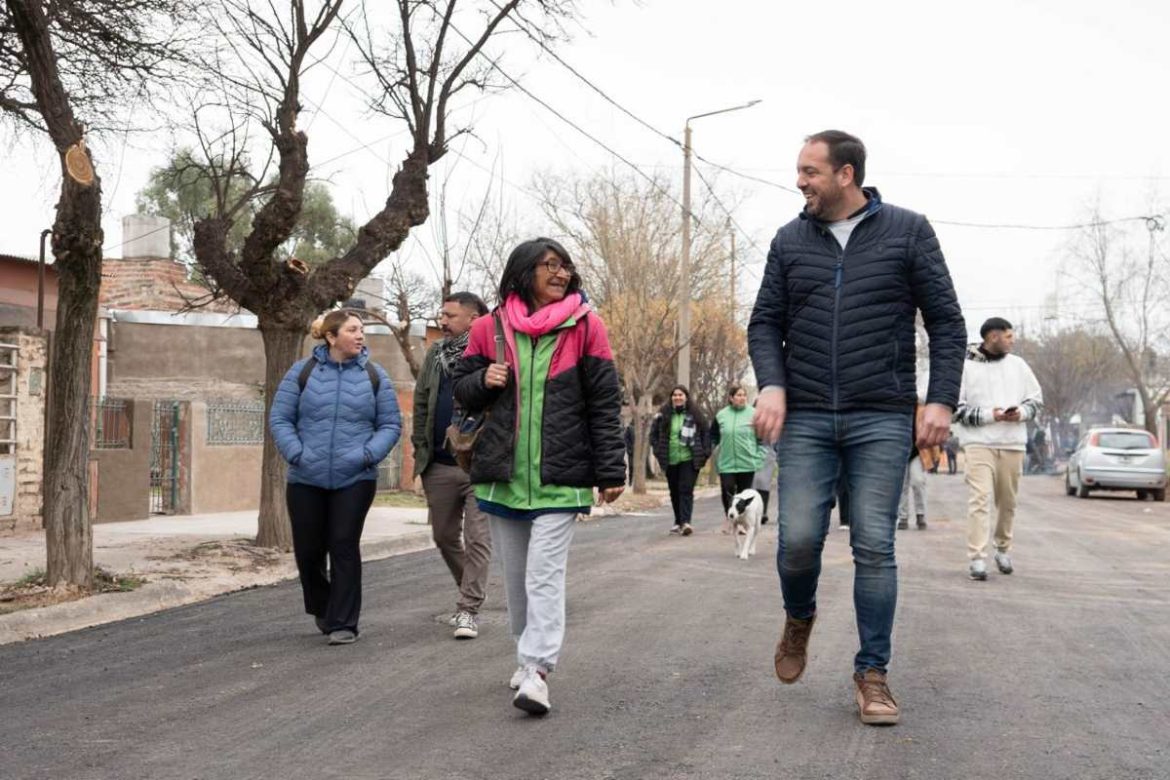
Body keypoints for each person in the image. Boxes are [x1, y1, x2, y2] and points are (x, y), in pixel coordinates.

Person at [748, 130, 966, 725]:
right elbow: (765, 321)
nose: (800, 181)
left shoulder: (908, 230)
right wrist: (772, 382)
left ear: (846, 175)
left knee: (874, 544)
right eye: (799, 171)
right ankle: (799, 617)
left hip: (881, 414)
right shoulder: (790, 240)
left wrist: (940, 401)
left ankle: (872, 673)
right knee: (796, 542)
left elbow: (947, 322)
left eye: (809, 171)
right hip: (809, 415)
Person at [453, 237, 625, 716]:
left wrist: (612, 468)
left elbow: (604, 403)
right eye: (549, 265)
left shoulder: (586, 325)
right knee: (517, 578)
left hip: (561, 476)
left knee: (544, 575)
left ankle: (538, 669)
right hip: (504, 474)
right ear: (524, 271)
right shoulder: (490, 326)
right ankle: (525, 656)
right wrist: (482, 379)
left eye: (565, 266)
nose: (560, 273)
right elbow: (462, 391)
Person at [270, 309, 402, 646]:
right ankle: (322, 605)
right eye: (353, 330)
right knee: (309, 551)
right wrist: (297, 454)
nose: (360, 336)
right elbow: (280, 418)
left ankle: (344, 622)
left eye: (362, 330)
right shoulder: (302, 372)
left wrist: (367, 455)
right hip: (306, 476)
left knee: (343, 544)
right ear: (331, 336)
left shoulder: (375, 375)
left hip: (354, 477)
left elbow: (390, 424)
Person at [412, 291, 492, 640]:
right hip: (440, 464)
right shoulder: (435, 354)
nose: (442, 321)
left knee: (477, 538)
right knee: (444, 536)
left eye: (450, 316)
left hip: (480, 464)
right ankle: (469, 587)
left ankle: (468, 609)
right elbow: (421, 402)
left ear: (474, 319)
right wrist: (421, 453)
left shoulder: (492, 354)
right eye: (441, 315)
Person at [954, 317, 1043, 581]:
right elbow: (956, 410)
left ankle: (1003, 548)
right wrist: (991, 415)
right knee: (979, 499)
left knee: (1007, 502)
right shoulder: (965, 367)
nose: (1012, 341)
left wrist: (1022, 413)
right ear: (992, 337)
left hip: (1013, 442)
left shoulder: (1018, 366)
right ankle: (977, 558)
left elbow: (1036, 401)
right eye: (1008, 336)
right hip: (978, 442)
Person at [649, 385, 711, 535]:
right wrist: (658, 451)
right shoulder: (663, 415)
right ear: (671, 398)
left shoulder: (695, 415)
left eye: (680, 395)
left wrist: (705, 452)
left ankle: (686, 522)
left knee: (686, 489)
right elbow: (653, 435)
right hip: (670, 459)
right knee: (674, 491)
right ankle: (678, 521)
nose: (677, 397)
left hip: (689, 459)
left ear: (686, 397)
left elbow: (705, 434)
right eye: (675, 395)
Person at [711, 385, 765, 518]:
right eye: (739, 395)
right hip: (726, 462)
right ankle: (728, 516)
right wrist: (715, 450)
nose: (742, 398)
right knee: (727, 489)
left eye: (744, 395)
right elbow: (713, 436)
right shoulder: (721, 415)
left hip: (747, 461)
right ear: (731, 398)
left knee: (744, 494)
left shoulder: (754, 414)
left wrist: (759, 456)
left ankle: (741, 520)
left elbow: (762, 438)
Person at [753, 441, 778, 525]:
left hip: (767, 446)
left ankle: (762, 512)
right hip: (750, 445)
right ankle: (752, 512)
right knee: (753, 481)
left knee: (763, 481)